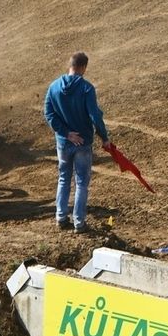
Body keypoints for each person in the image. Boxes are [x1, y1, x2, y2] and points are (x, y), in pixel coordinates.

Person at [44, 52, 112, 234]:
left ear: (70, 65)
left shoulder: (53, 87)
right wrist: (104, 138)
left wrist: (66, 133)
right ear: (83, 67)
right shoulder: (86, 88)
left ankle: (60, 217)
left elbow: (49, 114)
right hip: (83, 142)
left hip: (63, 142)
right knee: (81, 182)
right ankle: (79, 223)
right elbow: (95, 116)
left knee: (63, 178)